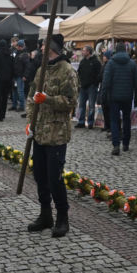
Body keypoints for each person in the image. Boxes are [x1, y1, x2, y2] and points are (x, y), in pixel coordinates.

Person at [26, 36, 78, 237]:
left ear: (52, 48)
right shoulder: (41, 70)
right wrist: (30, 122)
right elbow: (31, 97)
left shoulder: (67, 71)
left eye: (43, 45)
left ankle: (62, 218)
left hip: (57, 133)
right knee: (40, 175)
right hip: (39, 132)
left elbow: (70, 101)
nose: (40, 47)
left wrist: (48, 99)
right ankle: (45, 214)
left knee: (54, 177)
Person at [101, 41, 137, 156]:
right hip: (127, 96)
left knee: (114, 120)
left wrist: (104, 96)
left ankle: (116, 145)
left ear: (116, 50)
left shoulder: (111, 63)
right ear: (126, 50)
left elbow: (106, 82)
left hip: (113, 97)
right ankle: (126, 143)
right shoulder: (132, 63)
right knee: (127, 119)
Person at [75, 45, 101, 129]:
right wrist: (79, 82)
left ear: (88, 52)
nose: (82, 52)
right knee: (81, 105)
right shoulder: (82, 61)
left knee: (91, 106)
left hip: (92, 87)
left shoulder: (96, 62)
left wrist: (95, 83)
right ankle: (81, 122)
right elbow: (79, 72)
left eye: (84, 50)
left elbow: (99, 74)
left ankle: (90, 123)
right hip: (83, 86)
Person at [0, 39, 14, 121]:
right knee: (5, 97)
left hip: (0, 78)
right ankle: (3, 114)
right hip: (8, 78)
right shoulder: (10, 54)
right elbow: (13, 66)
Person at [11, 40, 29, 113]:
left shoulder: (24, 55)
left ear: (22, 46)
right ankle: (14, 105)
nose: (18, 47)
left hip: (20, 76)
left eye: (19, 46)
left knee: (20, 91)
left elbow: (27, 66)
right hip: (15, 75)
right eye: (18, 46)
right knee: (14, 91)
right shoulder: (16, 53)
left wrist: (25, 75)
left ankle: (21, 106)